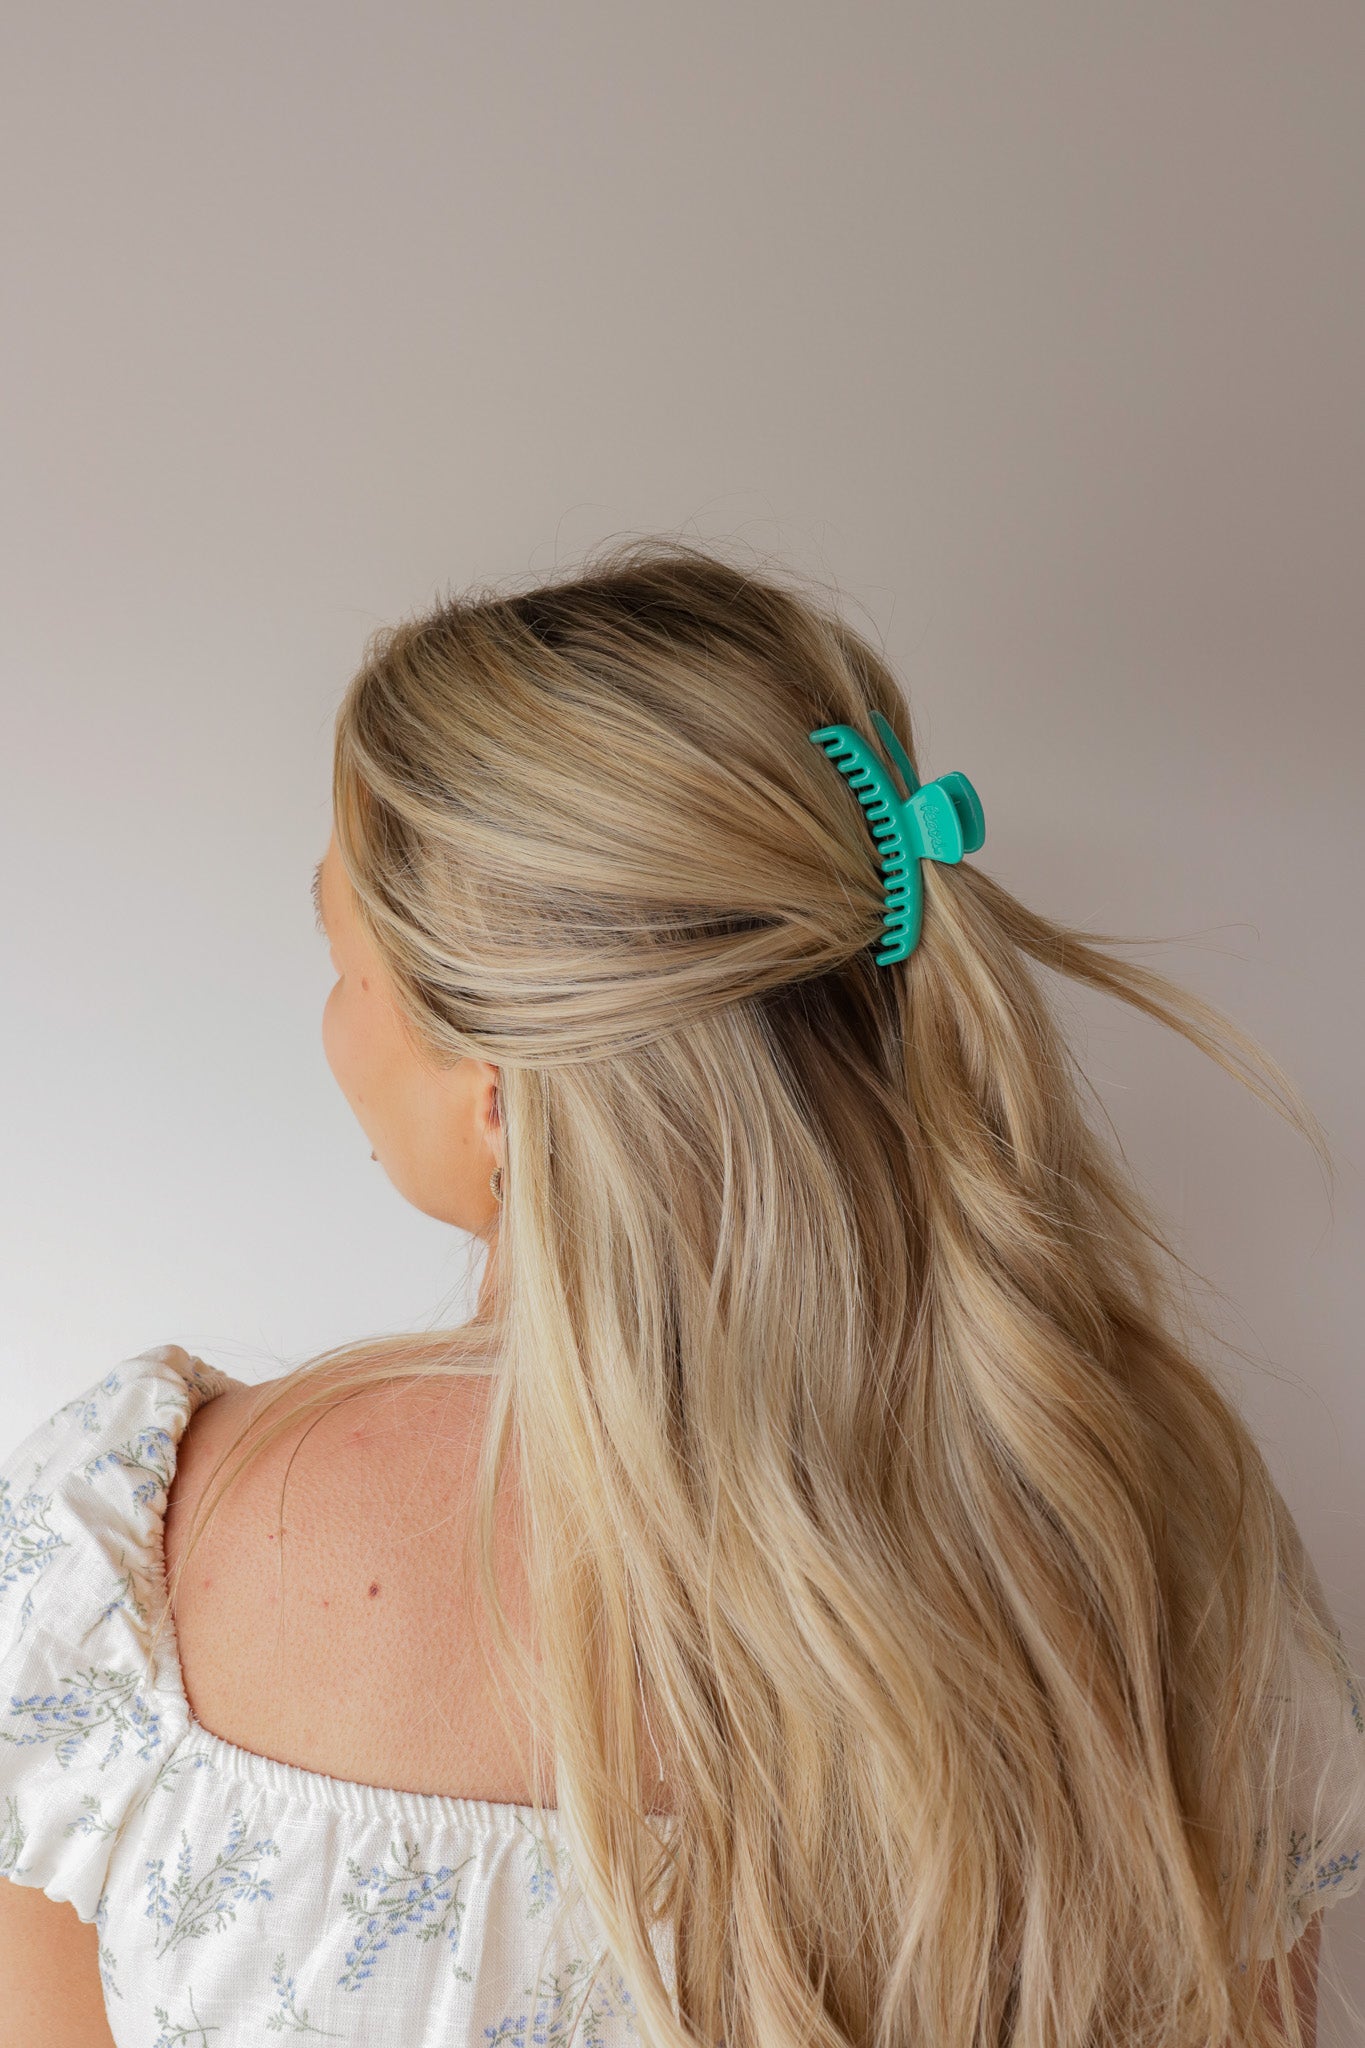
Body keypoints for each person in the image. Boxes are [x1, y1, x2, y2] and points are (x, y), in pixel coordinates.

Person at [0, 537, 1361, 2048]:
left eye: (340, 956)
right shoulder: (1151, 1551)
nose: (330, 1022)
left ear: (499, 1087)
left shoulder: (121, 1566)